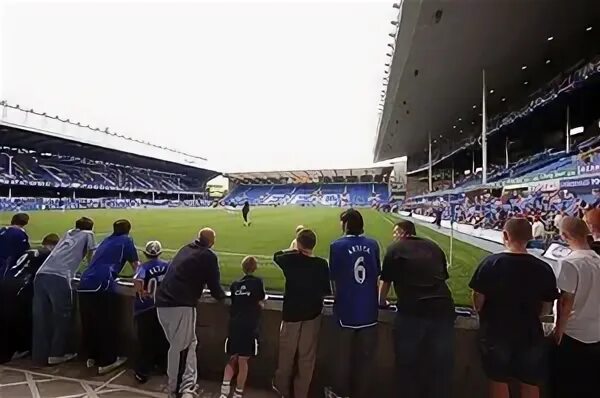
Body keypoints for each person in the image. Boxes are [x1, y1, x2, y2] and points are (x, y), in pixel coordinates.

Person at [470, 218, 559, 398]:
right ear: (530, 236)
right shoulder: (543, 268)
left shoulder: (491, 263)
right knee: (529, 382)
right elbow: (547, 306)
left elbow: (478, 299)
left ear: (505, 235)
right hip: (530, 333)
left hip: (496, 332)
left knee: (498, 380)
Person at [378, 220, 455, 398]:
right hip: (443, 310)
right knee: (440, 368)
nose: (394, 236)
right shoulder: (433, 246)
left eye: (395, 232)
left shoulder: (395, 249)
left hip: (413, 312)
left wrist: (381, 303)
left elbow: (386, 281)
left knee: (407, 366)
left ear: (403, 232)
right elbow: (442, 277)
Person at [155, 228, 226, 398]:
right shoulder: (208, 256)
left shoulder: (185, 248)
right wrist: (224, 297)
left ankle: (184, 385)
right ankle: (180, 390)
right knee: (182, 349)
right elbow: (215, 288)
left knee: (187, 344)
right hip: (180, 305)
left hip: (162, 304)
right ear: (211, 241)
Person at [327, 209, 380, 398]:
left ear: (346, 224)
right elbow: (377, 277)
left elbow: (333, 280)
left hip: (346, 311)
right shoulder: (373, 245)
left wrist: (337, 298)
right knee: (366, 361)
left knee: (342, 359)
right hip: (369, 311)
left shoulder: (337, 246)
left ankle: (340, 394)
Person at [273, 229, 331, 398]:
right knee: (306, 360)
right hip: (312, 316)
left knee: (286, 357)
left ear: (298, 244)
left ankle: (282, 391)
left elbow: (277, 255)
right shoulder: (321, 264)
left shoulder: (290, 260)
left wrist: (293, 249)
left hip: (291, 316)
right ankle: (301, 394)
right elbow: (326, 291)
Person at [78, 219, 140, 375]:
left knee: (90, 322)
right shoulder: (126, 240)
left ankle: (92, 356)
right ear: (128, 230)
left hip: (84, 282)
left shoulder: (106, 240)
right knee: (107, 323)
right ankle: (107, 360)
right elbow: (136, 266)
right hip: (101, 283)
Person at [32, 217, 96, 366]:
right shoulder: (88, 234)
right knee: (62, 317)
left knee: (42, 317)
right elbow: (91, 256)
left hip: (41, 275)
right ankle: (57, 354)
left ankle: (39, 355)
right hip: (59, 277)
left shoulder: (68, 233)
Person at [552, 216, 600, 397]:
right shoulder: (597, 260)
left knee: (568, 386)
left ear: (564, 236)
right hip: (596, 333)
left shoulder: (570, 263)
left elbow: (565, 302)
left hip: (573, 335)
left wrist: (558, 331)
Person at [0, 233, 59, 363]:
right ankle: (19, 349)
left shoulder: (29, 251)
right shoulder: (47, 254)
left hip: (6, 282)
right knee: (22, 318)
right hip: (22, 285)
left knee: (5, 316)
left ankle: (7, 350)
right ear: (53, 245)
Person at [220, 256, 266, 398]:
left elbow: (235, 302)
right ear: (255, 268)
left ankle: (224, 390)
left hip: (234, 325)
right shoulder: (258, 282)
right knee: (243, 361)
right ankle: (238, 393)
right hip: (249, 326)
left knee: (232, 357)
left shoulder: (235, 285)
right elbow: (261, 299)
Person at [133, 240, 170, 384]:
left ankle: (143, 372)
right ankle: (162, 366)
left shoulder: (143, 267)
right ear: (160, 253)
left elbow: (137, 283)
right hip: (163, 307)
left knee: (146, 341)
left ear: (145, 253)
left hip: (145, 309)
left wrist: (143, 293)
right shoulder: (167, 266)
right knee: (163, 338)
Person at [0, 213, 30, 277]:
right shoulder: (21, 234)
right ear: (25, 222)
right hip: (8, 264)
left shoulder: (3, 230)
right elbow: (23, 251)